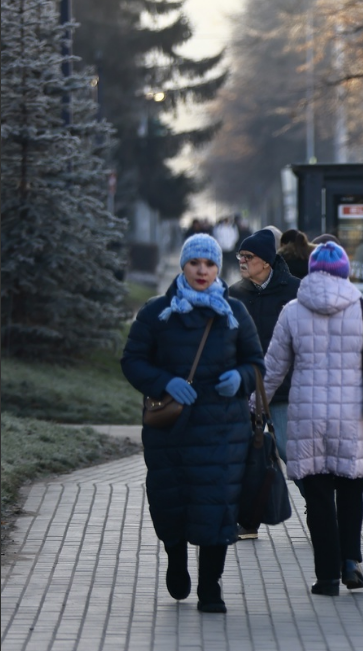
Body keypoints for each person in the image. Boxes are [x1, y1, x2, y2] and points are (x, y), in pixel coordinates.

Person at [121, 234, 264, 613]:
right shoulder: (157, 312)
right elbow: (132, 360)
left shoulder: (234, 313)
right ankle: (176, 560)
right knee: (172, 502)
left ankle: (211, 587)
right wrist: (163, 382)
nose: (202, 271)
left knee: (216, 506)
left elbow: (255, 362)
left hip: (223, 430)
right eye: (195, 263)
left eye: (210, 264)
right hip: (171, 430)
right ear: (183, 266)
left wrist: (241, 378)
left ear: (219, 268)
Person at [260, 242, 363, 596]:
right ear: (345, 272)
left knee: (319, 496)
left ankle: (326, 577)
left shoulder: (292, 311)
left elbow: (273, 368)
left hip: (306, 416)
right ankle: (350, 561)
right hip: (352, 416)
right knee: (352, 489)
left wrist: (254, 404)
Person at [228, 229, 301, 532]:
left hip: (285, 389)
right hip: (247, 389)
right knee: (245, 454)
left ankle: (318, 506)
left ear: (267, 262)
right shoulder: (234, 293)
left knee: (291, 452)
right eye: (240, 257)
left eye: (249, 257)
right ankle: (248, 519)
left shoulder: (295, 290)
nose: (242, 262)